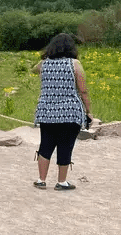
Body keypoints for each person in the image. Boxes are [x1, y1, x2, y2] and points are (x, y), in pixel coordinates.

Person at [32, 32, 94, 191]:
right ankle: (61, 182)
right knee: (65, 145)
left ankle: (41, 180)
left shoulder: (43, 64)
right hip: (70, 111)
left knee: (46, 144)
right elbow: (83, 91)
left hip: (47, 111)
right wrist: (88, 111)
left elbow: (33, 70)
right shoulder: (75, 64)